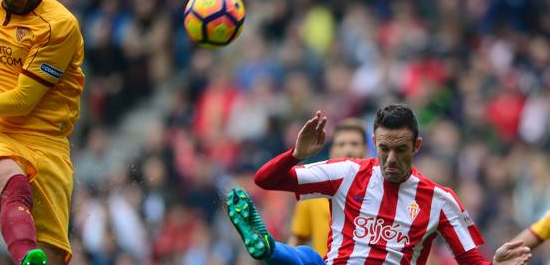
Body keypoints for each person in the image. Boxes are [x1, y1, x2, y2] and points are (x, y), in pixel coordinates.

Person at [226, 104, 531, 264]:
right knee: (311, 258)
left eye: (400, 150)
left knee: (309, 259)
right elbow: (264, 180)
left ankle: (272, 253)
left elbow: (470, 261)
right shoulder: (345, 173)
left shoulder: (440, 200)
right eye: (384, 149)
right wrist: (296, 154)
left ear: (417, 146)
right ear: (374, 143)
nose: (391, 159)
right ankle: (269, 250)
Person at [0, 0, 85, 264]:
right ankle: (25, 256)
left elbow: (23, 101)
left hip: (47, 142)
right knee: (13, 180)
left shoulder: (60, 27)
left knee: (52, 257)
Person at [288, 118, 368, 257]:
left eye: (354, 144)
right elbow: (297, 240)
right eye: (341, 144)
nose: (348, 150)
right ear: (332, 151)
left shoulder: (379, 189)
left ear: (366, 150)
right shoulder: (313, 192)